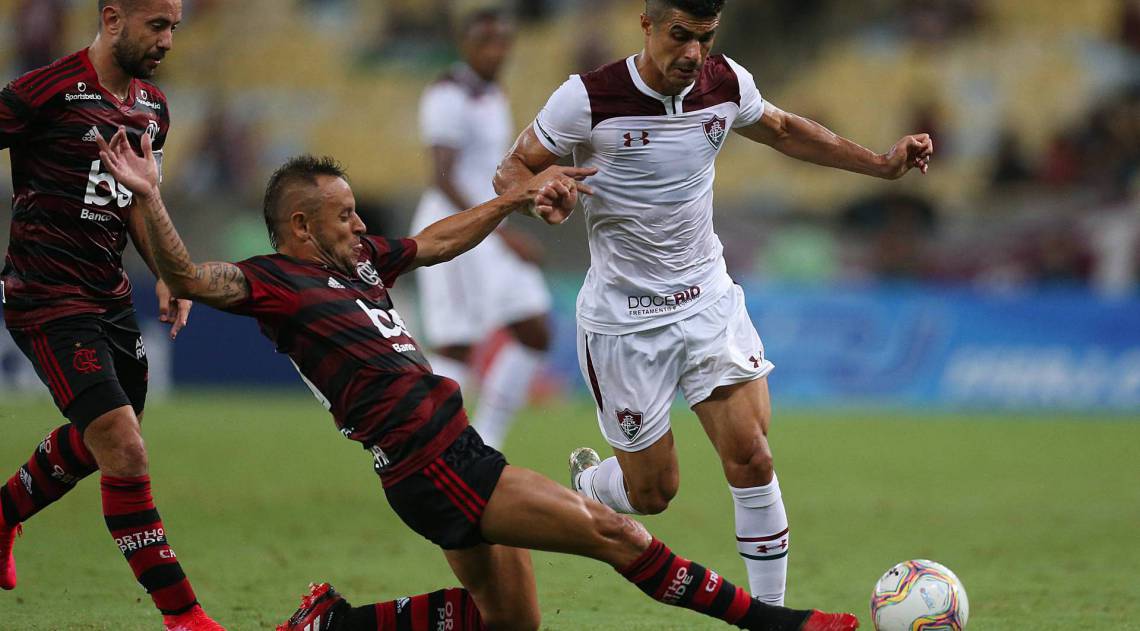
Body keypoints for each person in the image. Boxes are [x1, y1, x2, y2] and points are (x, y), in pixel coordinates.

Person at [95, 125, 860, 631]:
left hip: (433, 461)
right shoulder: (275, 284)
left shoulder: (361, 264)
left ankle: (335, 623)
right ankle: (782, 622)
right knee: (616, 532)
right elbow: (190, 274)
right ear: (301, 226)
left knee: (512, 625)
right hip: (437, 462)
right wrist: (150, 195)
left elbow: (434, 241)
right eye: (345, 214)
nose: (360, 225)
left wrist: (510, 199)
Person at [493, 0, 934, 606]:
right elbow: (512, 169)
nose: (694, 53)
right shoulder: (586, 98)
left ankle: (771, 616)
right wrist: (541, 190)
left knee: (752, 456)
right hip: (625, 322)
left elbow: (781, 129)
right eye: (680, 36)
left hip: (707, 301)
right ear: (647, 27)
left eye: (705, 38)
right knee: (653, 494)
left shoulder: (725, 82)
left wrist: (881, 166)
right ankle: (595, 483)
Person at [0, 2, 225, 629]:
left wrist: (167, 273)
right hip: (45, 299)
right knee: (125, 449)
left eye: (175, 27)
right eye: (158, 25)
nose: (169, 40)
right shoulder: (44, 91)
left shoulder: (154, 108)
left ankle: (2, 513)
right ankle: (185, 617)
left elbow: (133, 199)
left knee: (103, 442)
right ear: (113, 18)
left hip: (110, 298)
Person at [411, 7, 553, 449]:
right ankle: (426, 446)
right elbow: (444, 176)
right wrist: (503, 231)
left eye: (501, 41)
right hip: (452, 228)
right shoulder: (448, 93)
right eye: (484, 41)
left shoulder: (493, 95)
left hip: (490, 225)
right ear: (465, 44)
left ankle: (486, 441)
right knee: (457, 345)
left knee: (535, 331)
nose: (495, 50)